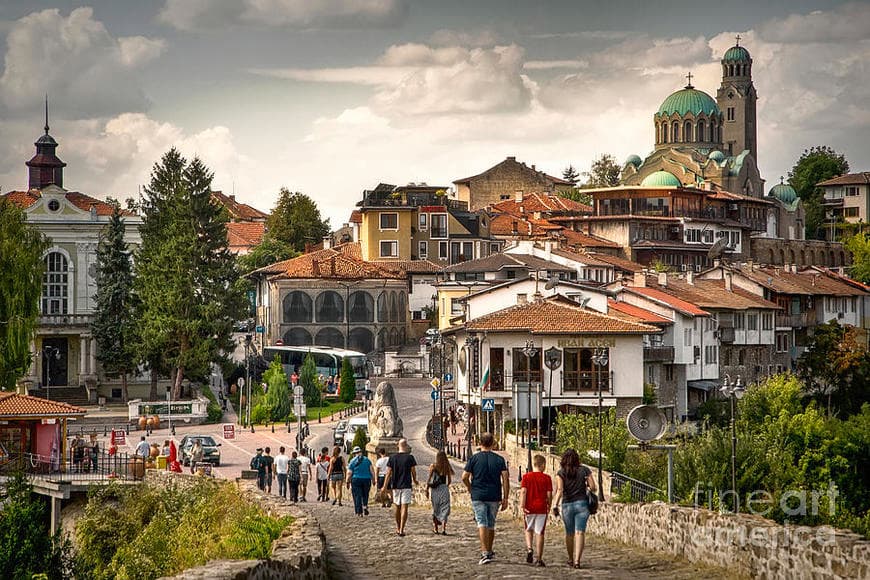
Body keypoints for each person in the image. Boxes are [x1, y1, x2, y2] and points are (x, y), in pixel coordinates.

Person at [462, 432, 509, 565]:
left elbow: (464, 477)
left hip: (478, 495)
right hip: (494, 495)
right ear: (493, 443)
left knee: (481, 522)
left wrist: (470, 488)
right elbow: (505, 479)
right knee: (491, 523)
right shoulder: (499, 460)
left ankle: (484, 553)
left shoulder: (474, 459)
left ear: (479, 442)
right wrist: (506, 497)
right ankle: (489, 549)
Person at [551, 449, 596, 569]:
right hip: (582, 504)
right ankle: (577, 561)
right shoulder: (585, 470)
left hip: (567, 505)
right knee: (580, 532)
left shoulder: (561, 473)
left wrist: (555, 505)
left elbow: (560, 490)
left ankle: (570, 558)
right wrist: (586, 486)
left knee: (569, 534)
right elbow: (593, 487)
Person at [380, 438, 418, 537]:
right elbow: (413, 471)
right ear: (406, 446)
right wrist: (415, 480)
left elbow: (388, 473)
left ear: (398, 446)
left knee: (397, 506)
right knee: (404, 507)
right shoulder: (410, 458)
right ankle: (401, 529)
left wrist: (384, 486)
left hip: (395, 485)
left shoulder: (392, 458)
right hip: (406, 485)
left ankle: (397, 527)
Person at [521, 454, 553, 567]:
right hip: (541, 508)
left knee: (528, 529)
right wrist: (549, 504)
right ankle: (539, 558)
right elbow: (549, 494)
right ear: (543, 465)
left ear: (533, 464)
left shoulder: (526, 477)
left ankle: (530, 549)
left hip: (529, 507)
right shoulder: (547, 478)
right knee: (540, 532)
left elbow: (524, 492)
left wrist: (522, 505)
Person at [427, 450, 453, 535]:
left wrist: (427, 489)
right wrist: (445, 487)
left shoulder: (433, 466)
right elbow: (449, 481)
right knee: (445, 508)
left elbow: (429, 479)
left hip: (435, 490)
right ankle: (443, 528)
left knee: (436, 508)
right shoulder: (447, 467)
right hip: (444, 489)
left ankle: (435, 528)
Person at [346, 446, 376, 517]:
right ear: (361, 452)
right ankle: (365, 506)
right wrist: (374, 479)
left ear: (354, 454)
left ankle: (359, 512)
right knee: (365, 494)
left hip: (356, 479)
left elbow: (349, 473)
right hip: (366, 479)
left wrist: (347, 481)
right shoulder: (367, 460)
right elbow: (372, 471)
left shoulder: (352, 461)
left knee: (357, 495)